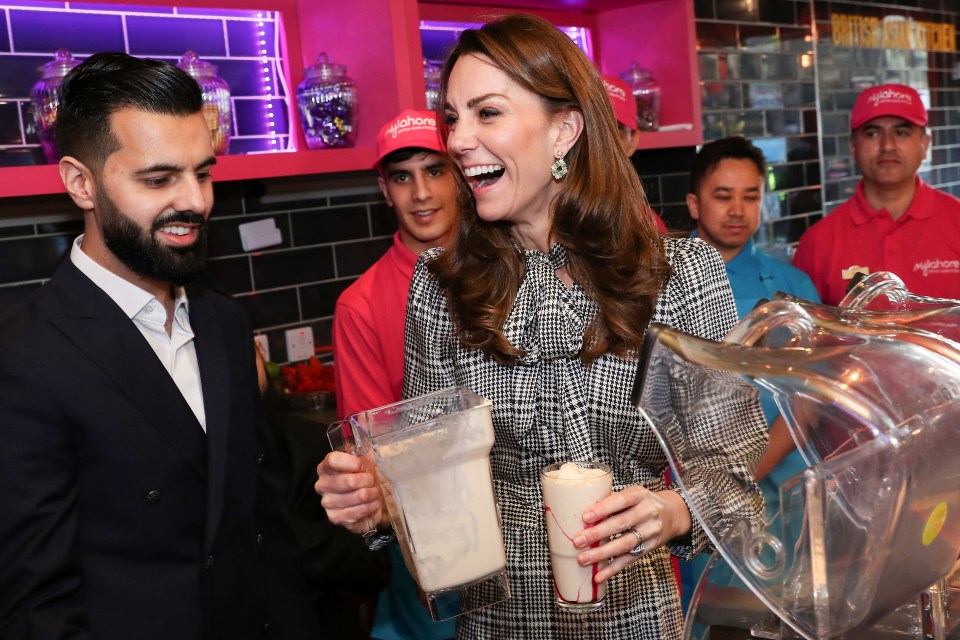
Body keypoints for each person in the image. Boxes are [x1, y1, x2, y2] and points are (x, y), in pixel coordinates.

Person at [316, 13, 766, 640]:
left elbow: (736, 486)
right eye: (452, 117)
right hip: (497, 623)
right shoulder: (439, 285)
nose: (458, 140)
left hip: (633, 619)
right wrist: (378, 499)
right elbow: (435, 488)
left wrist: (671, 511)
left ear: (565, 129)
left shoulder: (678, 273)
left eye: (487, 113)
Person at [0, 52, 320, 639]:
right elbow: (36, 608)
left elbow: (264, 530)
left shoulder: (223, 322)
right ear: (81, 183)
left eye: (203, 172)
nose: (196, 200)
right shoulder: (24, 359)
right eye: (159, 178)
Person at [332, 109, 459, 640]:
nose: (421, 192)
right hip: (429, 543)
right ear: (385, 190)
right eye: (403, 177)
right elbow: (375, 453)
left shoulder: (515, 270)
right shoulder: (359, 305)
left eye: (435, 170)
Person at [680, 136, 821, 612]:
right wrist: (712, 487)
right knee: (704, 613)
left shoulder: (792, 287)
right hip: (689, 497)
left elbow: (808, 400)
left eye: (750, 196)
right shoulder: (655, 282)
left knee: (776, 615)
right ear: (695, 203)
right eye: (723, 196)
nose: (737, 209)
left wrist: (745, 476)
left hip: (780, 493)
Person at [793, 83, 960, 305]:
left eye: (901, 132)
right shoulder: (817, 244)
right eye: (872, 133)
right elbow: (802, 335)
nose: (887, 145)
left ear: (925, 145)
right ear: (853, 147)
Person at [602, 72, 668, 233]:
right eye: (592, 128)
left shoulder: (647, 226)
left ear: (632, 142)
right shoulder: (544, 216)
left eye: (616, 131)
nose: (601, 142)